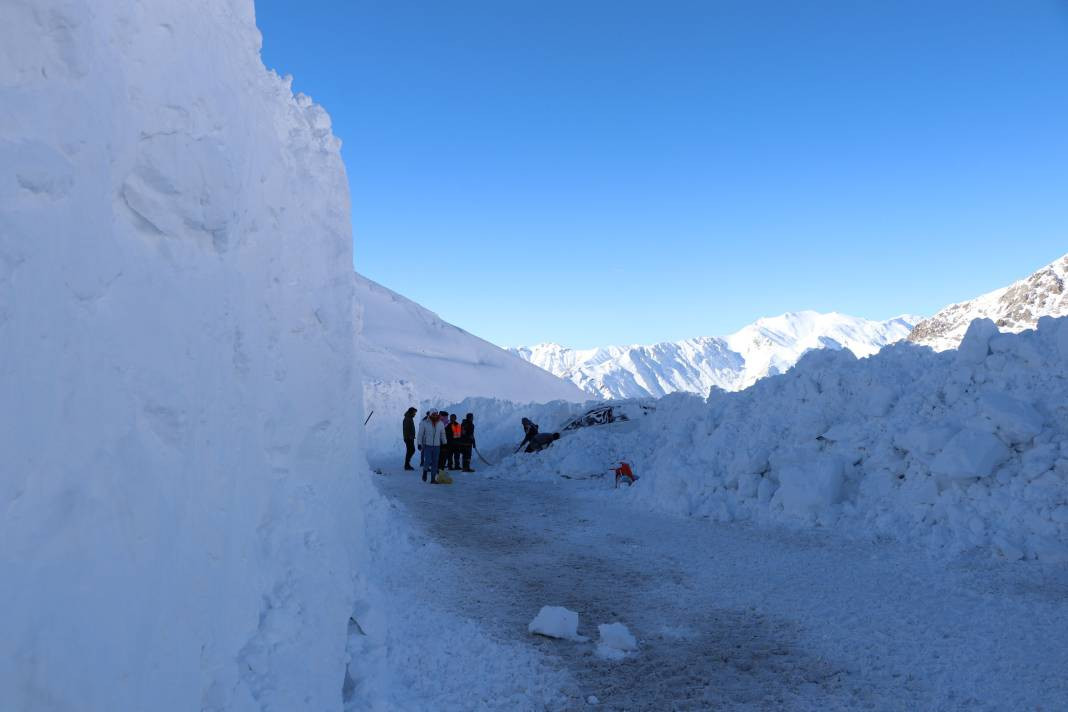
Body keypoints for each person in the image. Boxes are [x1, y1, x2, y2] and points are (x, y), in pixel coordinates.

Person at [417, 409, 447, 483]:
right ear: (430, 414)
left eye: (436, 414)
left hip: (437, 446)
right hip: (428, 445)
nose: (435, 415)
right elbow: (420, 434)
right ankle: (425, 471)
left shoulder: (440, 423)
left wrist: (445, 443)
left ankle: (433, 479)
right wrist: (419, 444)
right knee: (427, 460)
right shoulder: (424, 423)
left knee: (435, 462)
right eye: (433, 414)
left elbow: (443, 434)